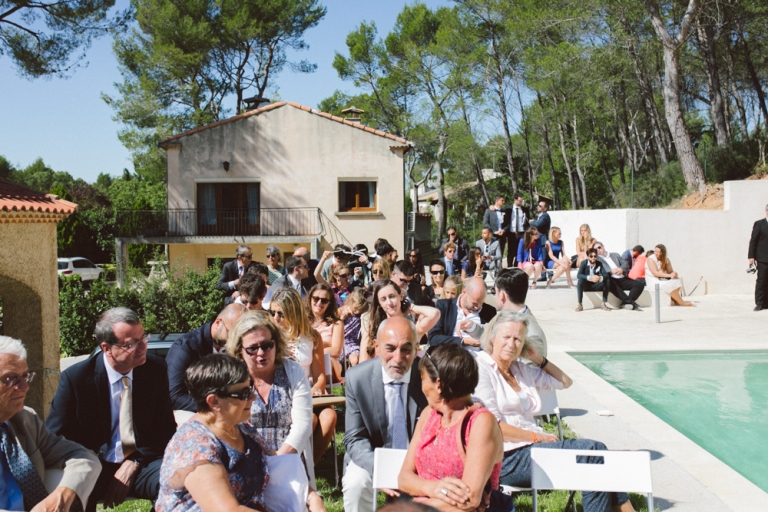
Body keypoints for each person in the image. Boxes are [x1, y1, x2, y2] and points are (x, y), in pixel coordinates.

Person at [472, 311, 635, 512]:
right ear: (492, 338)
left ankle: (622, 508)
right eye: (506, 337)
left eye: (518, 339)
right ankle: (625, 508)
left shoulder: (520, 370)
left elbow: (564, 381)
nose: (512, 344)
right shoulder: (482, 368)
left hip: (533, 450)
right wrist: (537, 437)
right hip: (506, 457)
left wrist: (537, 357)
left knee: (596, 455)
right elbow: (492, 428)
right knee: (593, 452)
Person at [46, 307, 177, 511]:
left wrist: (134, 463)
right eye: (132, 344)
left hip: (141, 463)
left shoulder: (155, 370)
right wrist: (89, 465)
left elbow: (165, 430)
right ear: (106, 348)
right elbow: (56, 436)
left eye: (143, 337)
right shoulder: (77, 379)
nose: (143, 346)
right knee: (71, 494)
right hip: (92, 465)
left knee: (179, 479)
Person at [155, 354, 273, 512]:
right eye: (243, 394)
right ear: (214, 401)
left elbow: (280, 465)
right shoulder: (196, 446)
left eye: (250, 388)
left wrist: (310, 496)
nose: (253, 397)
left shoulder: (243, 428)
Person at [0, 336, 101, 511]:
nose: (24, 387)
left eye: (25, 376)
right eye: (10, 378)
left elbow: (83, 457)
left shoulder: (25, 420)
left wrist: (61, 495)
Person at [398, 344, 503, 511]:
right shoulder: (428, 415)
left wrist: (411, 508)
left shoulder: (480, 423)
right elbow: (404, 478)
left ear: (438, 384)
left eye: (422, 377)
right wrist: (432, 488)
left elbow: (469, 501)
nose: (421, 385)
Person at [342, 317, 429, 512]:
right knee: (356, 483)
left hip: (416, 458)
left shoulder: (428, 377)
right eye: (390, 348)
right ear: (377, 346)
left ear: (416, 349)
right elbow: (354, 437)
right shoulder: (357, 379)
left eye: (406, 349)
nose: (398, 359)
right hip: (372, 456)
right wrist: (380, 469)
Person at [226, 312, 313, 462]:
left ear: (276, 343)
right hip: (247, 462)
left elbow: (303, 424)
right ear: (240, 349)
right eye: (252, 348)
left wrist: (277, 461)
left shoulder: (293, 371)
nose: (261, 353)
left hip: (289, 459)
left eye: (267, 345)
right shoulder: (231, 378)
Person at [268, 289, 336, 465]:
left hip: (307, 392)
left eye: (280, 314)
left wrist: (316, 388)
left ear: (293, 312)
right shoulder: (270, 338)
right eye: (272, 312)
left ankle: (307, 467)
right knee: (310, 419)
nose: (275, 318)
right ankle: (293, 465)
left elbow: (319, 375)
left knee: (329, 416)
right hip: (281, 394)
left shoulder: (312, 337)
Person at [167, 303, 246, 412]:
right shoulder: (185, 347)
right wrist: (215, 407)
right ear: (218, 323)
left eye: (239, 336)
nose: (235, 340)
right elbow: (174, 396)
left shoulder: (239, 345)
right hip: (194, 413)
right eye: (231, 333)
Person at [359, 281, 440, 363]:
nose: (389, 303)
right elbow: (363, 361)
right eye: (383, 299)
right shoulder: (373, 327)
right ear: (379, 303)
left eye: (392, 296)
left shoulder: (412, 328)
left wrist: (411, 307)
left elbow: (435, 314)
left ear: (400, 296)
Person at [428, 277, 496, 349]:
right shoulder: (445, 306)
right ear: (464, 292)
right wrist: (462, 341)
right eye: (474, 303)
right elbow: (433, 338)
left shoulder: (489, 311)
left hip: (480, 357)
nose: (477, 307)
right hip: (450, 354)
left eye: (481, 303)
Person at [494, 268, 549, 356]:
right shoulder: (503, 316)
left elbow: (529, 369)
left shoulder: (532, 336)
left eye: (495, 292)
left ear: (502, 295)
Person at [306, 283, 345, 381]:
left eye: (324, 300)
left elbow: (336, 351)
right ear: (310, 298)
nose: (319, 303)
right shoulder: (302, 321)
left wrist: (313, 354)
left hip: (329, 363)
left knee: (325, 362)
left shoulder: (336, 323)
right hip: (306, 362)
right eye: (315, 298)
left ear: (329, 303)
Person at [596, 242, 644, 311]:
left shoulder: (615, 255)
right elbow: (599, 269)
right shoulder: (597, 259)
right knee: (610, 282)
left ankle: (625, 303)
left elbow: (625, 263)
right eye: (595, 249)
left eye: (599, 247)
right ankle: (632, 303)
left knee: (639, 284)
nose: (598, 250)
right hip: (611, 279)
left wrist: (621, 269)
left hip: (622, 278)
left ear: (603, 246)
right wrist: (610, 271)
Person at [340, 289, 369, 367]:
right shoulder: (344, 310)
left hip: (353, 343)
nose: (357, 311)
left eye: (360, 309)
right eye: (356, 308)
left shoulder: (362, 316)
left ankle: (351, 374)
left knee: (355, 360)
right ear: (351, 301)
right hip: (341, 341)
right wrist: (341, 317)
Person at [748, 204, 768, 311]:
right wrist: (751, 256)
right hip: (762, 258)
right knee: (762, 280)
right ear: (766, 211)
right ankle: (759, 303)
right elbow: (753, 241)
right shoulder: (759, 224)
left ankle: (766, 302)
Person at [483, 195, 509, 264]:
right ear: (497, 201)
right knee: (492, 254)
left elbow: (508, 224)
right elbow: (485, 224)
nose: (504, 202)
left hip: (502, 236)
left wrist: (504, 230)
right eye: (502, 200)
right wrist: (494, 232)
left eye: (504, 200)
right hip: (493, 237)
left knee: (500, 255)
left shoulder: (504, 212)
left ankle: (499, 270)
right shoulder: (488, 211)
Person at [507, 193, 528, 268]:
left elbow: (528, 220)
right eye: (520, 200)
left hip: (521, 233)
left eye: (522, 200)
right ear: (515, 200)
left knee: (519, 250)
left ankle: (517, 267)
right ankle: (509, 267)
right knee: (511, 251)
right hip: (512, 233)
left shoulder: (525, 209)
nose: (521, 202)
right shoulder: (508, 209)